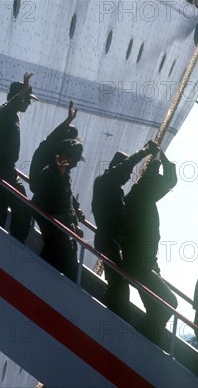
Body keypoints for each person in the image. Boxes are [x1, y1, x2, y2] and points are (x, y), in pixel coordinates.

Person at [90, 141, 159, 320]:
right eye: (127, 173)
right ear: (117, 168)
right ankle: (111, 316)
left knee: (118, 284)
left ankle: (111, 313)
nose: (129, 177)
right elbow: (126, 166)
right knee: (119, 285)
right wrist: (144, 152)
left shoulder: (113, 190)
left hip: (111, 241)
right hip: (107, 240)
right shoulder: (104, 182)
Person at [119, 149, 178, 347]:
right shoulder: (141, 197)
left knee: (158, 307)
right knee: (170, 303)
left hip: (144, 262)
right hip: (138, 263)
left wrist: (159, 158)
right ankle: (142, 340)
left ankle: (145, 339)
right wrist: (157, 158)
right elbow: (170, 180)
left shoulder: (141, 195)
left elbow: (169, 180)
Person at [0, 72, 37, 243]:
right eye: (27, 98)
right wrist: (24, 88)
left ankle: (12, 244)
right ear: (17, 97)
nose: (29, 103)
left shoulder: (10, 115)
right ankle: (1, 247)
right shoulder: (4, 111)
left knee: (21, 210)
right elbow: (10, 105)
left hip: (6, 171)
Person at [32, 138, 85, 280]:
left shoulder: (63, 174)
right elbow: (51, 200)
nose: (74, 165)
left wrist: (76, 217)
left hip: (63, 228)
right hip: (55, 228)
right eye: (74, 160)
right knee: (62, 263)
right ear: (65, 156)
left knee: (61, 260)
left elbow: (68, 198)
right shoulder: (49, 173)